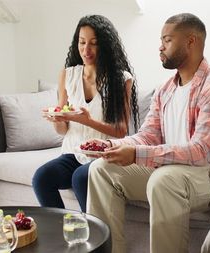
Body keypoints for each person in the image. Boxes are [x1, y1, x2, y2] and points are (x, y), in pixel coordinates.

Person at [84, 13, 210, 253]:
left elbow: (200, 152)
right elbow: (148, 135)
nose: (160, 47)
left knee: (164, 181)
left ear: (191, 42)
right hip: (173, 170)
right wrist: (113, 146)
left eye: (167, 40)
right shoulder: (165, 89)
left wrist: (137, 155)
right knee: (101, 170)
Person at [32, 15, 139, 213]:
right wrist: (58, 119)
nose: (86, 50)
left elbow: (121, 131)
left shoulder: (121, 79)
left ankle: (93, 238)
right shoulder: (68, 74)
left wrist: (87, 121)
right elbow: (63, 130)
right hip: (73, 152)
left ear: (105, 46)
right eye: (82, 42)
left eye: (93, 43)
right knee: (41, 178)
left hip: (103, 156)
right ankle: (64, 233)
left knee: (80, 178)